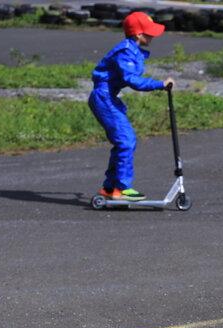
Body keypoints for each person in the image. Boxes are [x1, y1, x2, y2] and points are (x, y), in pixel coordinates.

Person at [89, 12, 176, 202]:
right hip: (104, 97)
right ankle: (121, 189)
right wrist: (160, 84)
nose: (153, 36)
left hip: (108, 96)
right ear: (138, 34)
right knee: (126, 141)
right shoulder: (126, 52)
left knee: (124, 141)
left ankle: (110, 188)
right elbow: (132, 80)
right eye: (149, 33)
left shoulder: (132, 49)